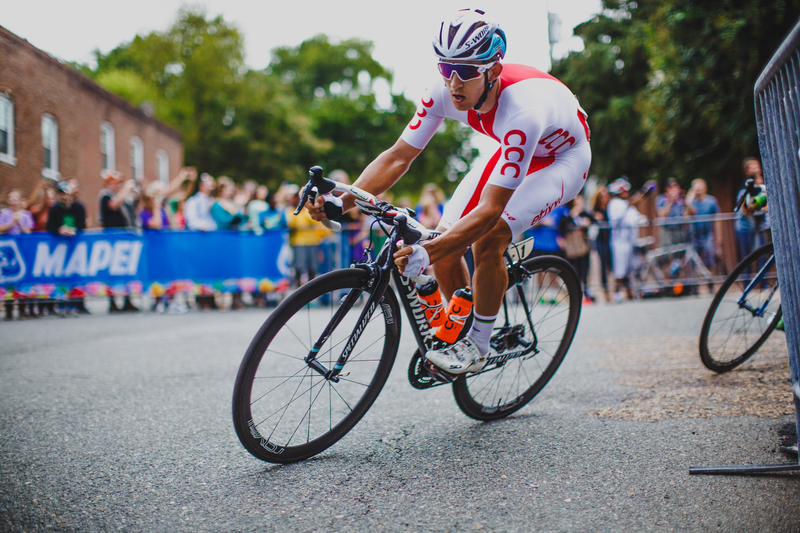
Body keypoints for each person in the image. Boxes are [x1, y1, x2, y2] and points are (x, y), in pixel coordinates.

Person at [304, 9, 591, 374]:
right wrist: (341, 202)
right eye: (445, 67)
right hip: (518, 150)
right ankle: (459, 331)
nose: (454, 82)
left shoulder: (523, 111)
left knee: (488, 238)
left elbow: (490, 210)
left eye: (466, 71)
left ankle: (478, 345)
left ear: (493, 71)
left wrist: (429, 250)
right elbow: (398, 156)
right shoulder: (442, 92)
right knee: (444, 246)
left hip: (563, 160)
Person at [98, 170, 140, 312]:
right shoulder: (105, 196)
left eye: (120, 183)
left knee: (126, 271)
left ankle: (127, 300)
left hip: (125, 238)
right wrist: (126, 189)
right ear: (108, 183)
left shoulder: (124, 198)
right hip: (112, 239)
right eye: (115, 182)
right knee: (112, 271)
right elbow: (113, 205)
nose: (118, 185)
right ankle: (112, 302)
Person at [607, 177, 649, 303]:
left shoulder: (628, 205)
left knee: (630, 268)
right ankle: (617, 293)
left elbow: (637, 218)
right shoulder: (614, 203)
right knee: (619, 270)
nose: (627, 193)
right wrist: (639, 196)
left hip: (630, 241)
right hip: (619, 242)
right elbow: (617, 218)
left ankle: (631, 293)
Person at [685, 178, 720, 292]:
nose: (698, 190)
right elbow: (685, 217)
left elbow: (717, 219)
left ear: (705, 188)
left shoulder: (711, 201)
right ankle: (695, 287)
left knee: (709, 260)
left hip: (707, 235)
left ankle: (710, 284)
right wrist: (688, 200)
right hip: (693, 236)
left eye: (700, 188)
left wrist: (719, 237)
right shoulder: (691, 203)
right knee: (694, 262)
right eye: (696, 188)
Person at [591, 186, 613, 303]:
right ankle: (606, 292)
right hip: (601, 241)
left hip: (611, 240)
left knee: (611, 266)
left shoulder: (611, 209)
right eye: (602, 196)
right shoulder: (596, 211)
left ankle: (613, 291)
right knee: (603, 267)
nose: (605, 198)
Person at [655, 178, 687, 246]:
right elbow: (661, 214)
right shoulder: (661, 199)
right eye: (672, 188)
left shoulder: (680, 200)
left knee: (679, 249)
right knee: (667, 250)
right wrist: (670, 201)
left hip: (679, 229)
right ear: (667, 189)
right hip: (666, 229)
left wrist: (684, 200)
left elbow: (686, 215)